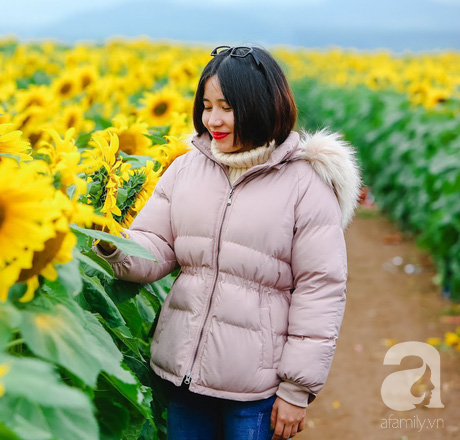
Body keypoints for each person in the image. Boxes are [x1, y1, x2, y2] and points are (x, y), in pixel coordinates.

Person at [94, 45, 362, 440]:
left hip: (256, 391)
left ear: (261, 106)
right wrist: (111, 241)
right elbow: (155, 247)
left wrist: (296, 389)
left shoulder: (305, 183)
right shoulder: (186, 168)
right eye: (206, 105)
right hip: (185, 374)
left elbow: (320, 289)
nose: (213, 120)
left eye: (227, 107)